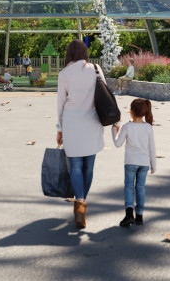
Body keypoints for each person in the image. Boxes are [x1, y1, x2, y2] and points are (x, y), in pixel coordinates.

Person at [56, 39, 112, 229]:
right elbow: (106, 95)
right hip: (93, 122)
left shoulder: (64, 74)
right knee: (89, 166)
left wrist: (59, 129)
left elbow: (61, 104)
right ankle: (82, 203)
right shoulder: (96, 69)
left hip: (72, 124)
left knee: (76, 166)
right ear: (85, 52)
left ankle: (79, 202)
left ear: (69, 54)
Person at [111, 98, 157, 227]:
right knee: (141, 188)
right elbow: (152, 148)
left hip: (130, 162)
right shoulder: (148, 127)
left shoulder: (127, 126)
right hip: (144, 164)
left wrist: (114, 130)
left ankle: (129, 214)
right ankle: (140, 216)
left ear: (131, 112)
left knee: (129, 187)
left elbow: (117, 144)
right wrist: (153, 165)